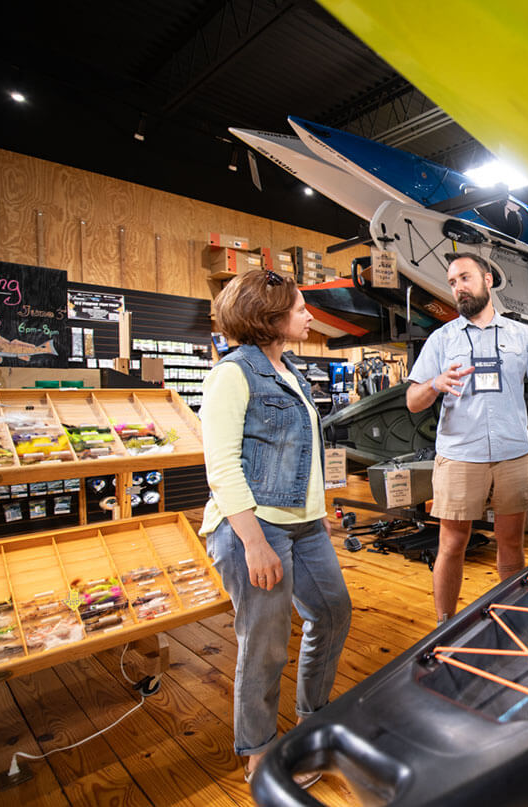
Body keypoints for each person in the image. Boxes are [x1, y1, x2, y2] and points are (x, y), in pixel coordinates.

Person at [199, 269, 351, 787]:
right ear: (270, 316)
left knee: (332, 612)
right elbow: (222, 466)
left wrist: (317, 507)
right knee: (265, 641)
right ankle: (259, 750)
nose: (308, 316)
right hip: (255, 527)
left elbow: (300, 452)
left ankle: (313, 720)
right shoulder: (232, 373)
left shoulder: (290, 371)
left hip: (304, 524)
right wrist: (254, 542)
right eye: (300, 308)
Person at [405, 253, 528, 621]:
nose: (458, 287)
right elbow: (412, 400)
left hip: (512, 455)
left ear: (487, 280)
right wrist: (435, 383)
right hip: (460, 455)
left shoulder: (521, 335)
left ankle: (515, 617)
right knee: (452, 543)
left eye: (465, 278)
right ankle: (443, 625)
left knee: (511, 542)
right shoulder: (442, 339)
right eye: (452, 282)